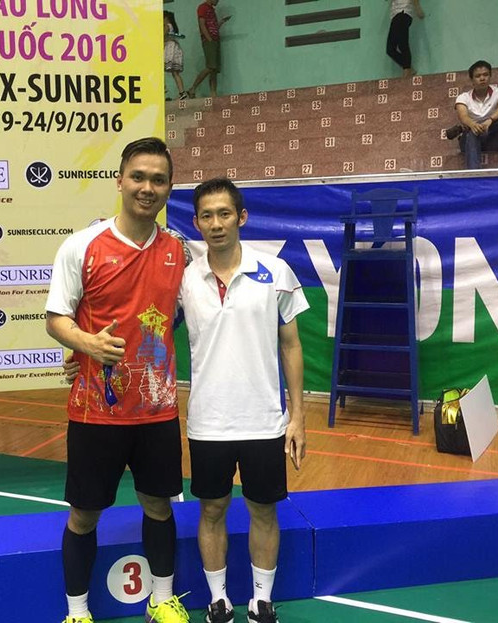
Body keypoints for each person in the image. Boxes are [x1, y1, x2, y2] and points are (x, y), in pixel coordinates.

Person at [46, 137, 189, 623]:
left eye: (158, 180)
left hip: (157, 410)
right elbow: (56, 318)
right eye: (138, 177)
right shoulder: (82, 245)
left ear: (169, 187)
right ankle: (77, 611)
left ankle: (162, 600)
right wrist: (86, 345)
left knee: (159, 506)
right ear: (120, 181)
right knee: (84, 514)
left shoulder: (179, 251)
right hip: (96, 413)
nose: (147, 188)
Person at [182, 178, 308, 623]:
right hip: (208, 422)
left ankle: (261, 600)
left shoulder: (276, 272)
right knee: (212, 509)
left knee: (263, 510)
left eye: (224, 214)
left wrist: (298, 417)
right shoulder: (184, 279)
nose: (216, 224)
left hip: (264, 421)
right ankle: (218, 600)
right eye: (207, 216)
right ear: (197, 223)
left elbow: (291, 345)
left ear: (242, 217)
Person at [446, 60, 498, 170]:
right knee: (473, 132)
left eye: (485, 75)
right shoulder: (463, 97)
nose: (482, 78)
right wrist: (473, 125)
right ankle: (474, 173)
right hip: (469, 141)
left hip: (492, 139)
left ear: (490, 76)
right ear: (472, 79)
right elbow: (463, 116)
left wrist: (490, 120)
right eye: (478, 76)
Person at [187, 0, 232, 99]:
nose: (218, 1)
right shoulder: (202, 7)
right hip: (209, 41)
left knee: (214, 69)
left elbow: (214, 27)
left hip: (215, 40)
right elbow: (202, 25)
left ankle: (213, 93)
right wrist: (209, 39)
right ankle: (193, 88)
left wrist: (222, 21)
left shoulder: (212, 10)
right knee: (210, 67)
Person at [386, 0, 425, 78]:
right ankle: (408, 67)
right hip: (395, 16)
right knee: (390, 49)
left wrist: (418, 9)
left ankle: (407, 71)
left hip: (403, 13)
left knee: (402, 44)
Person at [164, 11, 189, 100]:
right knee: (175, 73)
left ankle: (163, 89)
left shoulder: (167, 26)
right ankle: (182, 92)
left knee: (160, 69)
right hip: (175, 49)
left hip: (170, 50)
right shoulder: (172, 26)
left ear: (166, 18)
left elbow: (163, 35)